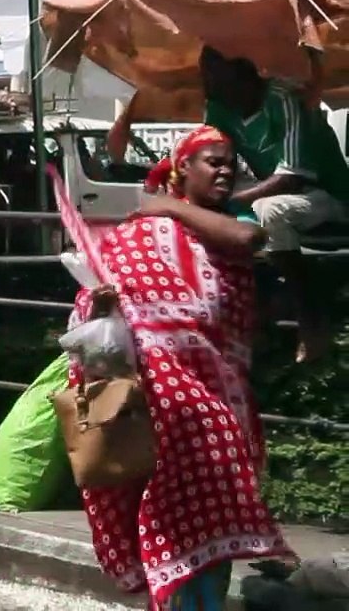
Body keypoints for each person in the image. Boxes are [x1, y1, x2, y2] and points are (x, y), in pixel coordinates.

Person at [58, 126, 292, 610]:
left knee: (214, 508)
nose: (226, 171)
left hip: (220, 396)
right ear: (183, 167)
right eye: (213, 162)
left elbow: (248, 239)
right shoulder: (141, 232)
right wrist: (103, 309)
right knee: (171, 512)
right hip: (159, 398)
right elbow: (100, 308)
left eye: (231, 163)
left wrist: (168, 206)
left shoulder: (227, 220)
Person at [198, 46, 349, 362]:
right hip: (280, 196)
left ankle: (309, 317)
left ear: (241, 74)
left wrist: (230, 201)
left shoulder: (282, 99)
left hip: (328, 195)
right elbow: (210, 155)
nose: (208, 86)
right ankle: (251, 315)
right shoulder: (220, 108)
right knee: (217, 220)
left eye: (215, 78)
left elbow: (292, 176)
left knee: (269, 210)